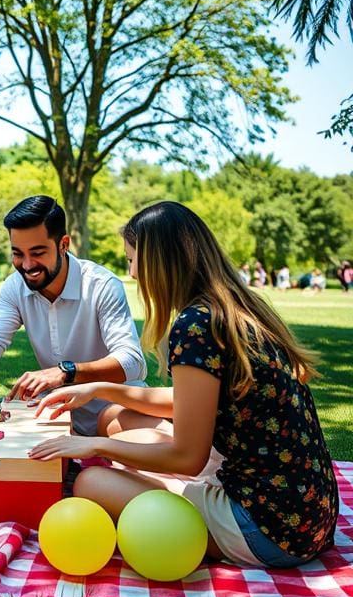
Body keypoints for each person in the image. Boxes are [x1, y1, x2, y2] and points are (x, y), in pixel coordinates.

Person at [30, 201, 338, 568]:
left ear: (158, 262)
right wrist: (98, 389)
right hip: (311, 514)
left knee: (91, 481)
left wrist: (93, 446)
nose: (132, 273)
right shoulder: (237, 308)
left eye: (132, 260)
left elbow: (187, 459)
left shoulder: (195, 325)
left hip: (268, 528)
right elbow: (189, 400)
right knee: (115, 419)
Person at [0, 195, 146, 437]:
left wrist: (65, 372)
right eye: (18, 253)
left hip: (119, 415)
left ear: (63, 244)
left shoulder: (101, 285)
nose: (27, 265)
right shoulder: (15, 286)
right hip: (56, 419)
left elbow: (132, 362)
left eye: (38, 252)